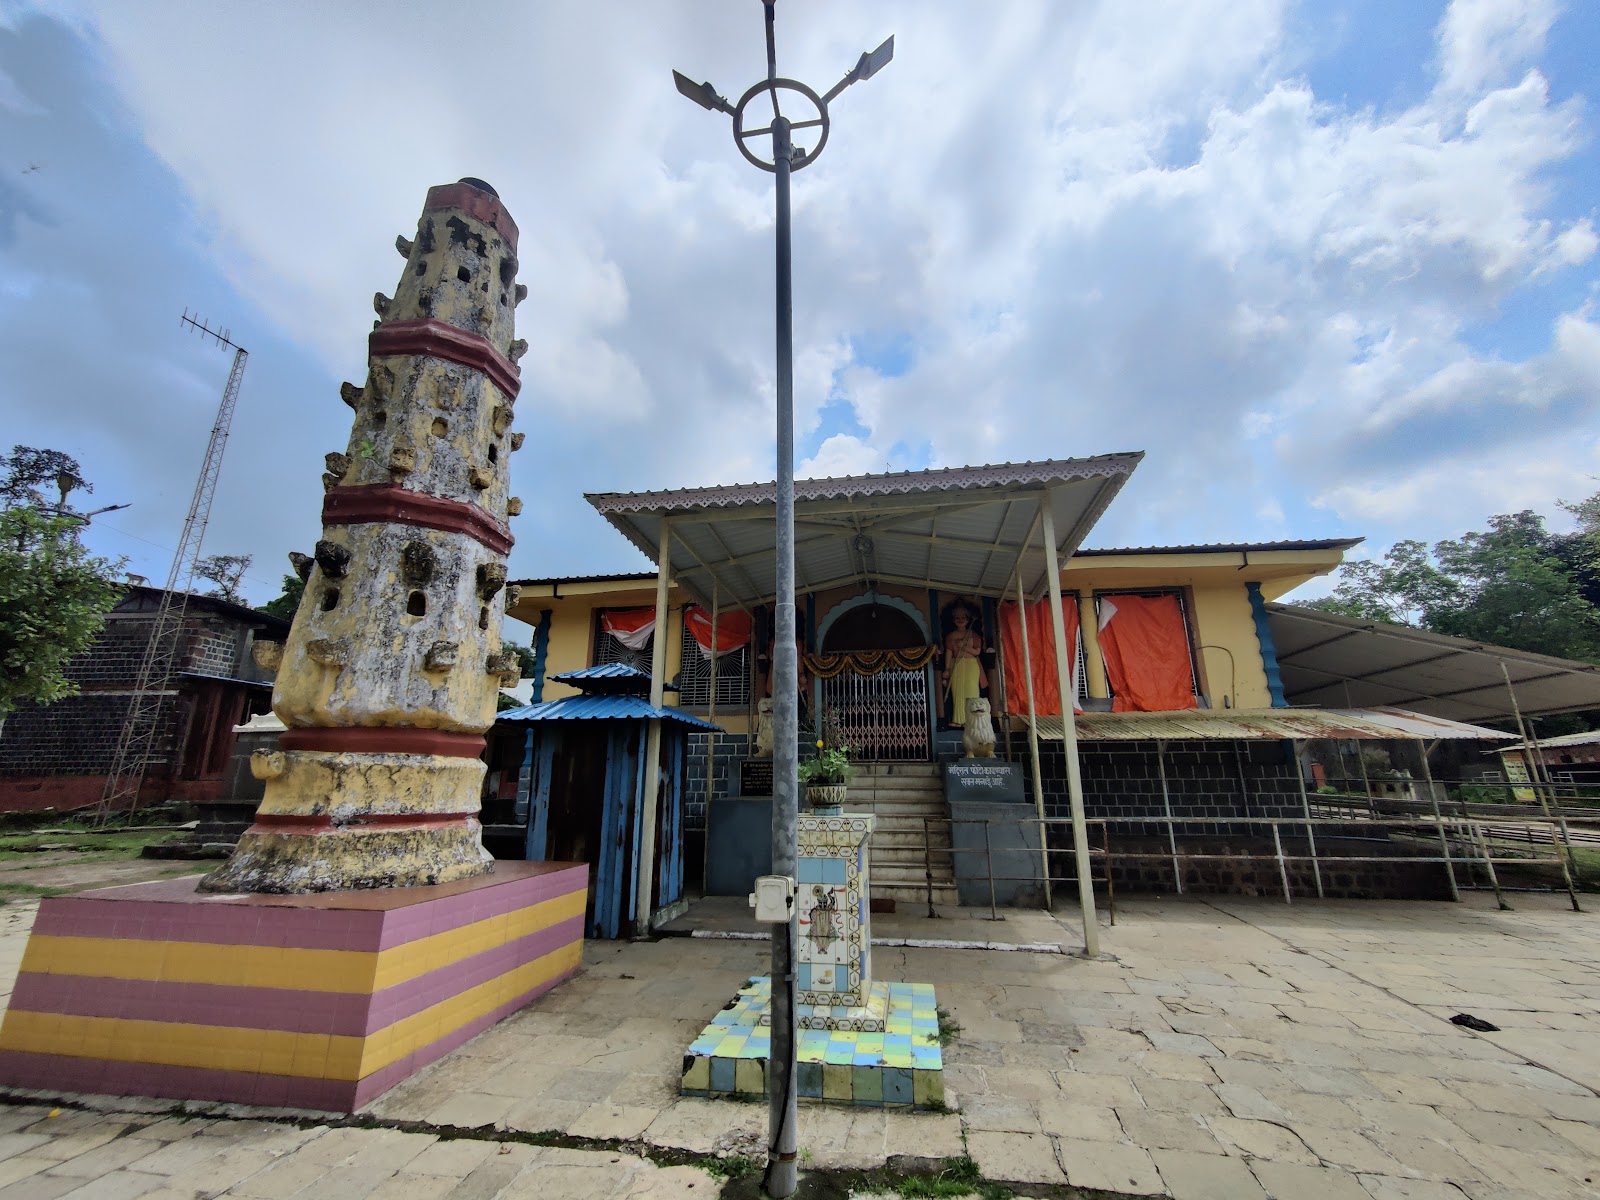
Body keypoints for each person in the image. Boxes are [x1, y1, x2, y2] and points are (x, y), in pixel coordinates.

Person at [940, 601, 987, 728]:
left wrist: (964, 647)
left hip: (971, 664)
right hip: (956, 664)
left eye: (963, 618)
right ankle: (958, 719)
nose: (960, 620)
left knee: (972, 691)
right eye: (957, 618)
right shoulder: (950, 636)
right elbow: (949, 652)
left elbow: (977, 651)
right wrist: (947, 669)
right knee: (957, 693)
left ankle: (972, 719)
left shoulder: (974, 635)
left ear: (968, 619)